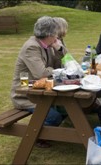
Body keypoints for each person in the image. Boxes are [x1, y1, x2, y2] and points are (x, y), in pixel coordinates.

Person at [10, 16, 68, 147]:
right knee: (55, 117)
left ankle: (46, 132)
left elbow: (64, 63)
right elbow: (41, 74)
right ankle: (35, 136)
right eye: (55, 34)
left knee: (66, 109)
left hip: (41, 92)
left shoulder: (48, 45)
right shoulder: (31, 47)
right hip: (25, 95)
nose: (57, 38)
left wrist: (59, 50)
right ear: (49, 34)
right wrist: (55, 71)